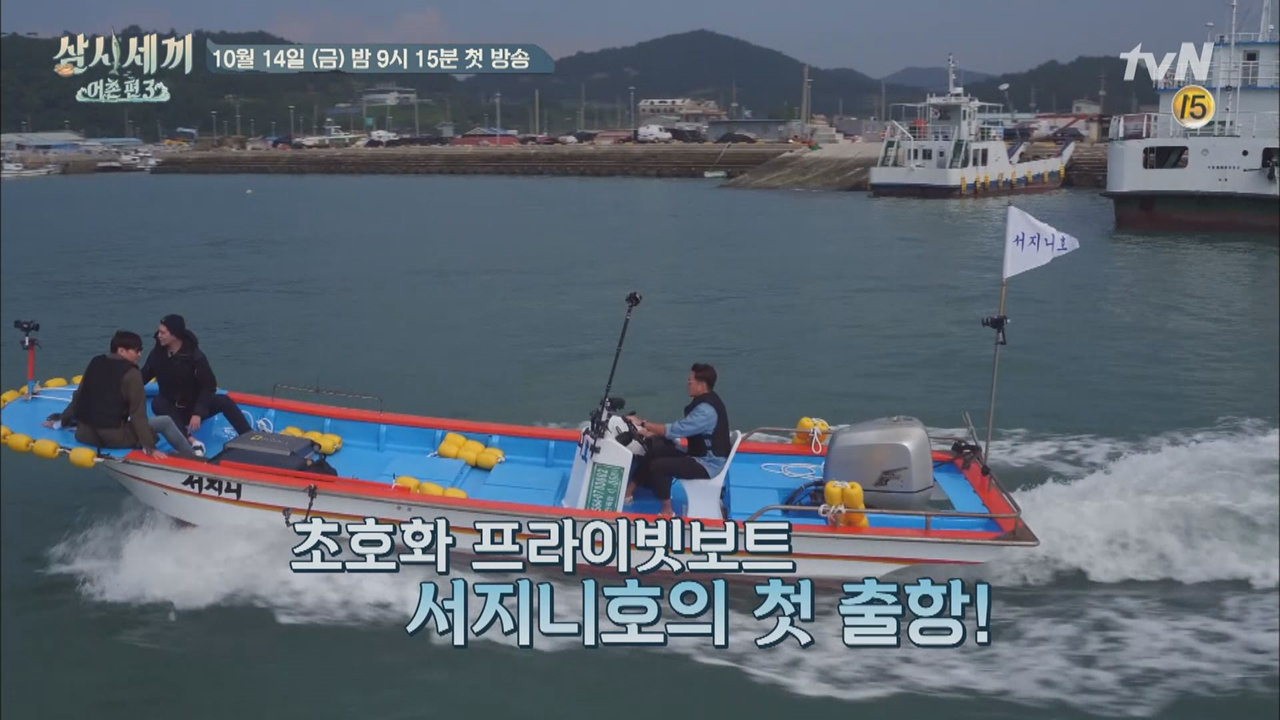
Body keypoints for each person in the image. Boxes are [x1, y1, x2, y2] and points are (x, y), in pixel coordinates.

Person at [42, 330, 197, 458]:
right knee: (165, 421)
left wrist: (60, 422)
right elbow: (137, 415)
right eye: (136, 350)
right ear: (121, 350)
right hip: (113, 439)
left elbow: (79, 397)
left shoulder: (95, 362)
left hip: (85, 435)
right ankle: (193, 457)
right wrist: (150, 448)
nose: (139, 355)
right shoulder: (131, 373)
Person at [625, 363, 731, 518]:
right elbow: (682, 429)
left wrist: (642, 423)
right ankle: (628, 492)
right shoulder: (704, 402)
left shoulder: (706, 411)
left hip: (708, 463)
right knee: (655, 450)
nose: (687, 385)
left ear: (701, 386)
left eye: (690, 381)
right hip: (699, 454)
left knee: (660, 466)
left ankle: (667, 512)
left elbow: (677, 430)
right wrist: (654, 433)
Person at [140, 314, 251, 445]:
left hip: (194, 407)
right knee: (157, 403)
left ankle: (249, 437)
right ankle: (188, 440)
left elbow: (209, 386)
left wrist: (198, 412)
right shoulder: (157, 354)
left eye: (163, 332)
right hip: (171, 409)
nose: (159, 335)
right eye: (159, 331)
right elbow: (143, 377)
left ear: (174, 335)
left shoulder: (195, 356)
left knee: (224, 401)